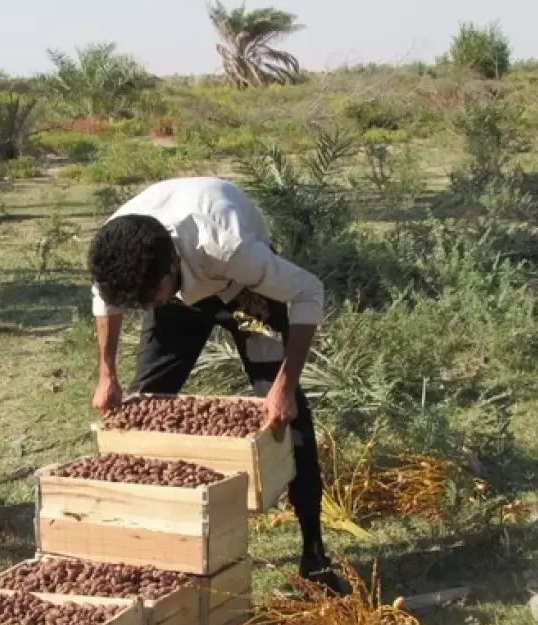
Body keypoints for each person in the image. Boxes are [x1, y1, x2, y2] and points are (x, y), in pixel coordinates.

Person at [86, 176, 349, 596]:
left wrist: (285, 382)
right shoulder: (118, 250)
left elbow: (308, 291)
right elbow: (107, 299)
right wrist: (107, 374)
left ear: (172, 263)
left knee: (285, 415)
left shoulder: (229, 247)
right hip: (175, 294)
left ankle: (314, 558)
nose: (144, 308)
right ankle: (144, 553)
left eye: (148, 298)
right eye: (141, 302)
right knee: (137, 418)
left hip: (245, 292)